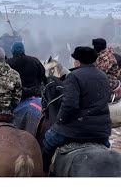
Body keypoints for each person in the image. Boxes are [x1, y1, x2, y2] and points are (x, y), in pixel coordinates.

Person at [41, 46, 112, 175]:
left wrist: (60, 120)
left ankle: (44, 173)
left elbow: (70, 105)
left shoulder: (73, 77)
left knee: (48, 141)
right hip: (102, 131)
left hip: (77, 129)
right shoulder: (103, 76)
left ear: (78, 61)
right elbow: (106, 98)